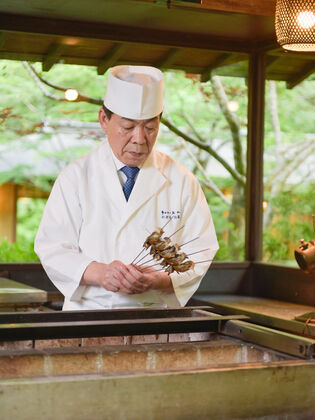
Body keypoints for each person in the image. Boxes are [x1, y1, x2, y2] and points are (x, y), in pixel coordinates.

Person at [35, 65, 218, 310]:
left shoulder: (183, 180)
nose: (140, 139)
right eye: (128, 127)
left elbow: (201, 249)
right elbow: (52, 247)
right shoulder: (76, 176)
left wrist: (160, 280)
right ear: (104, 120)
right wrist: (100, 272)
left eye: (150, 128)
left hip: (157, 314)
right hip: (89, 313)